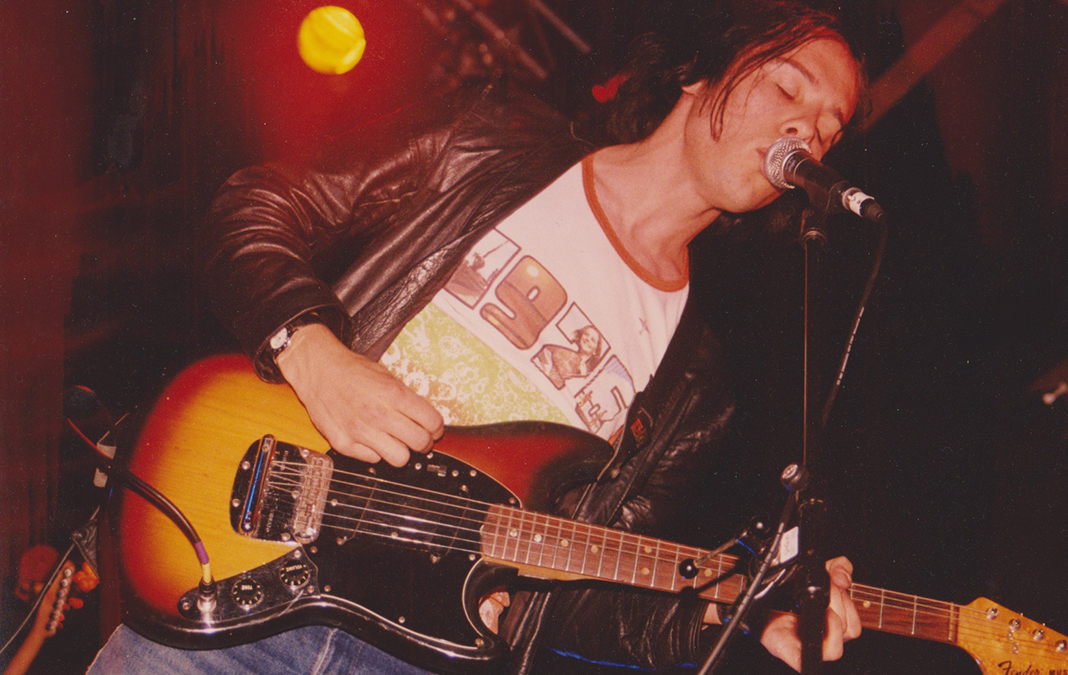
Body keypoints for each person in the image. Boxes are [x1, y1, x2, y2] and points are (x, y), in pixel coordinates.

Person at [90, 1, 865, 672]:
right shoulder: (490, 141)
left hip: (410, 656)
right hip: (243, 577)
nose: (808, 127)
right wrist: (313, 351)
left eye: (831, 127)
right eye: (787, 86)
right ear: (701, 72)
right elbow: (254, 207)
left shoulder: (698, 385)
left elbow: (581, 592)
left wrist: (739, 610)